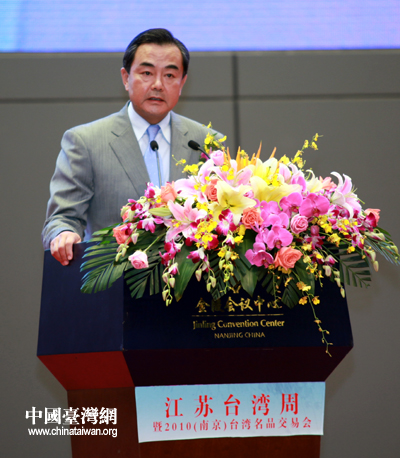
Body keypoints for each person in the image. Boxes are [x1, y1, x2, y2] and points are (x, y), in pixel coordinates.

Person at [42, 28, 221, 266]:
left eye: (169, 75)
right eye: (147, 73)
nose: (158, 84)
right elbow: (62, 218)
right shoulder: (86, 142)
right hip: (113, 278)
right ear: (126, 78)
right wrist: (64, 233)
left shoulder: (205, 142)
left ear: (182, 83)